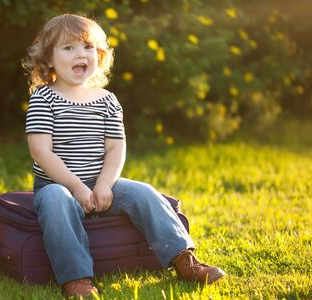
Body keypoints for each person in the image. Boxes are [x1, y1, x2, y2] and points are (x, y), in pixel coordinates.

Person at [22, 14, 226, 298]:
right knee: (57, 200)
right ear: (49, 59)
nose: (80, 54)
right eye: (68, 48)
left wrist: (104, 184)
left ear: (99, 55)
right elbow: (41, 151)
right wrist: (78, 188)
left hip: (102, 181)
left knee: (143, 192)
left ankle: (184, 260)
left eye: (87, 47)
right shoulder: (44, 98)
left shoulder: (107, 100)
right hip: (57, 185)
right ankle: (77, 278)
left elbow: (116, 148)